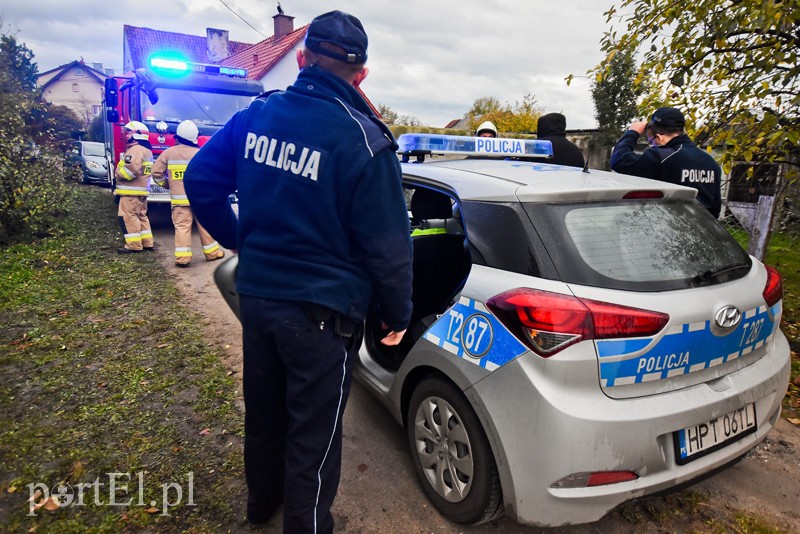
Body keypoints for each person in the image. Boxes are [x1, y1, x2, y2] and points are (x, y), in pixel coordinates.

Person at [183, 10, 413, 532]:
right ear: (362, 75)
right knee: (314, 441)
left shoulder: (257, 116)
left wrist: (246, 243)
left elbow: (201, 181)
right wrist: (396, 313)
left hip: (259, 301)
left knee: (264, 417)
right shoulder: (365, 141)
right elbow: (388, 247)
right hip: (321, 318)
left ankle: (260, 508)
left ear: (303, 60)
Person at [610, 107, 722, 217]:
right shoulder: (711, 162)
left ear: (659, 138)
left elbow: (619, 160)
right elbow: (715, 209)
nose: (653, 146)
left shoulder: (662, 156)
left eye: (651, 142)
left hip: (670, 228)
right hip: (703, 231)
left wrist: (632, 132)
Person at [150, 120, 225, 267]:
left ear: (177, 136)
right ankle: (212, 253)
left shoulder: (168, 153)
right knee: (205, 225)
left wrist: (167, 184)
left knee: (182, 227)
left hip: (179, 201)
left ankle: (183, 259)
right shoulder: (201, 153)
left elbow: (156, 172)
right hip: (199, 199)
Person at [115, 121, 154, 254]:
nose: (126, 135)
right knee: (141, 216)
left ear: (137, 134)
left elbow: (131, 171)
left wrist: (118, 174)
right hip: (141, 191)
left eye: (129, 132)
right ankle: (147, 243)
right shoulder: (146, 150)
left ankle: (134, 245)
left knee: (128, 216)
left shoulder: (135, 150)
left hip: (131, 191)